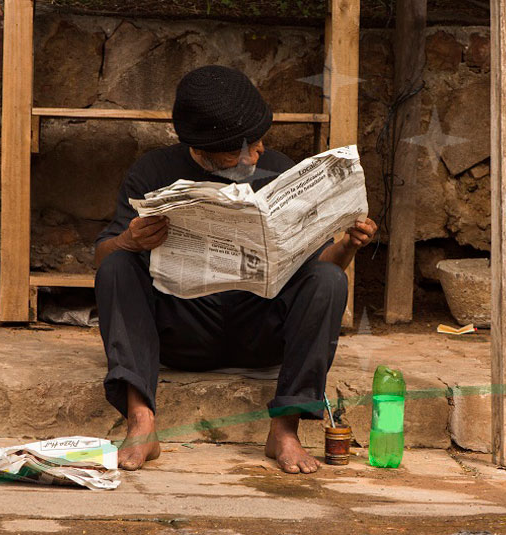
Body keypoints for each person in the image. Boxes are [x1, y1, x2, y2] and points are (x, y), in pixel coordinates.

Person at [94, 65, 377, 474]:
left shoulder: (281, 172)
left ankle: (284, 429)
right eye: (240, 149)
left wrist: (348, 246)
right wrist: (128, 241)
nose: (257, 152)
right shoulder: (152, 172)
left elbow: (317, 270)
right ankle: (142, 422)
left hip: (260, 331)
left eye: (259, 139)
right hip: (180, 331)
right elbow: (104, 261)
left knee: (329, 279)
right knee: (118, 263)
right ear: (201, 148)